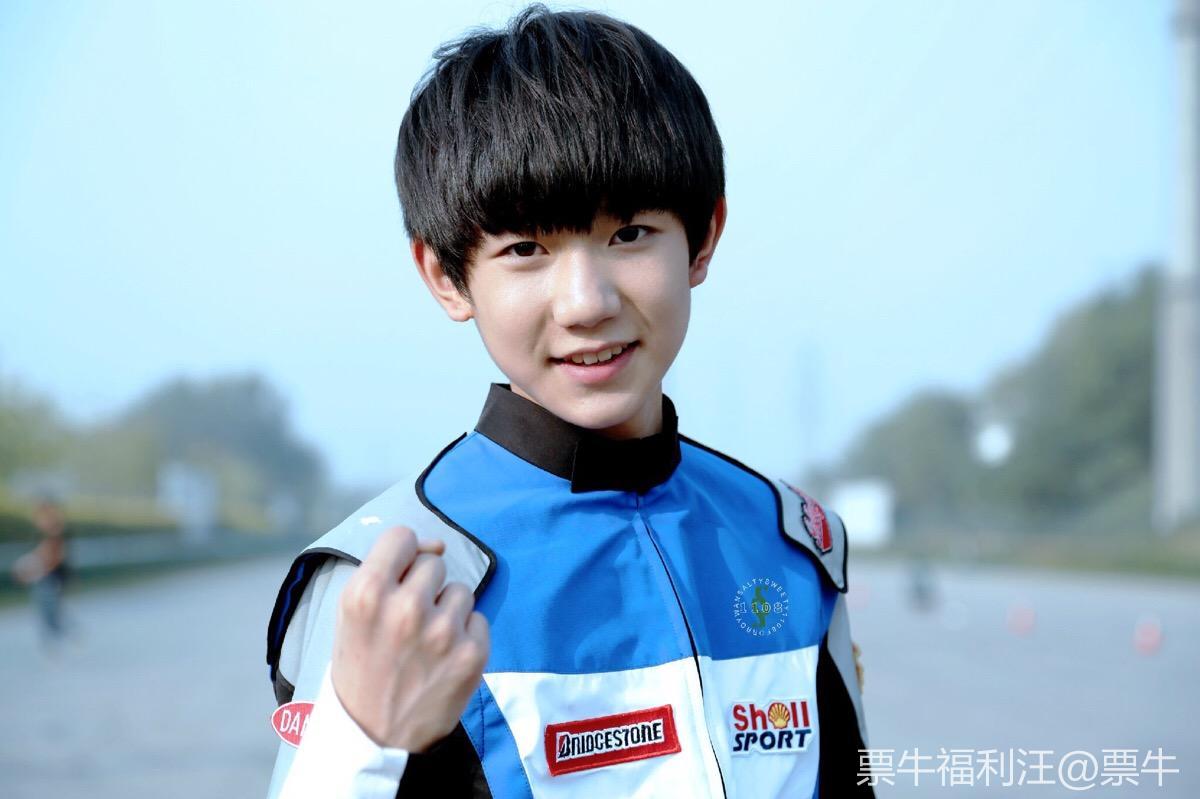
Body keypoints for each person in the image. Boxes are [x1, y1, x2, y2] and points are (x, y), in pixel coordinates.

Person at [264, 6, 873, 797]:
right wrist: (359, 739)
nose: (587, 303)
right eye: (526, 249)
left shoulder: (788, 543)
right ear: (447, 277)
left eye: (630, 234)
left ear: (703, 237)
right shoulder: (398, 585)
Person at [11, 497, 71, 650]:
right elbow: (37, 556)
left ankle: (61, 635)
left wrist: (33, 572)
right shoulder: (42, 534)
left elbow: (55, 558)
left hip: (52, 578)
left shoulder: (55, 534)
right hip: (44, 578)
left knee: (51, 610)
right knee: (47, 610)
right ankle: (56, 637)